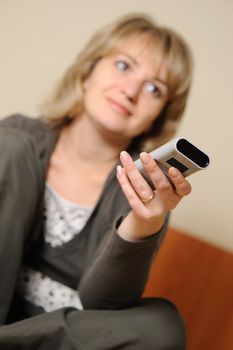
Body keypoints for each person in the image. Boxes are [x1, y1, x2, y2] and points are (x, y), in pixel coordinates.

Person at [0, 13, 193, 349]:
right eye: (123, 65)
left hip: (51, 341)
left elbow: (103, 306)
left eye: (154, 89)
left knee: (162, 326)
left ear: (159, 116)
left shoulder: (144, 188)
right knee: (9, 147)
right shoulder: (18, 137)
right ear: (88, 71)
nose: (131, 90)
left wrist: (141, 225)